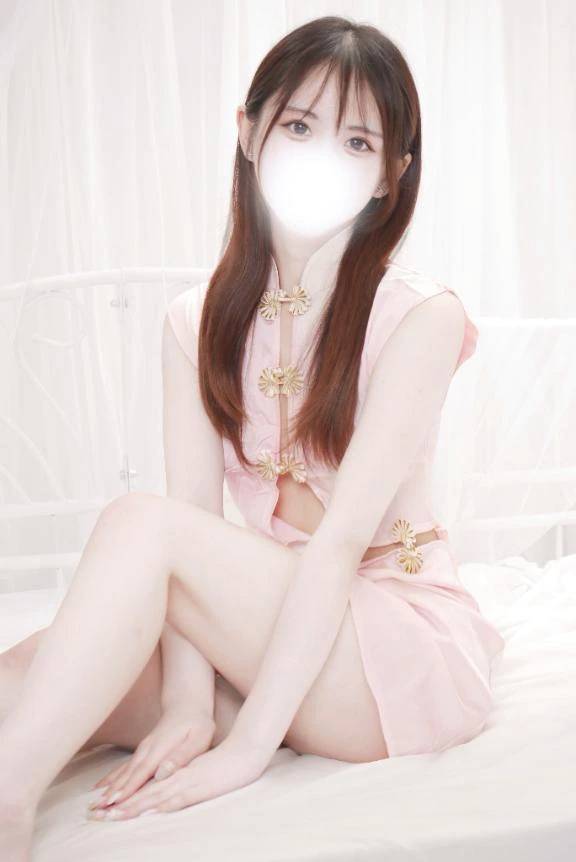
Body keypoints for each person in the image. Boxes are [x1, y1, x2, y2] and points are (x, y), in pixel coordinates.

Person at [0, 15, 504, 857]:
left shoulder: (420, 315)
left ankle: (8, 804)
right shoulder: (194, 319)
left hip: (392, 654)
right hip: (281, 637)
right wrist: (187, 707)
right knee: (29, 673)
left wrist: (244, 751)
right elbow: (193, 527)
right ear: (248, 130)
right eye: (299, 127)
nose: (321, 157)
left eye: (356, 142)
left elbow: (336, 544)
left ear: (390, 175)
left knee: (139, 522)